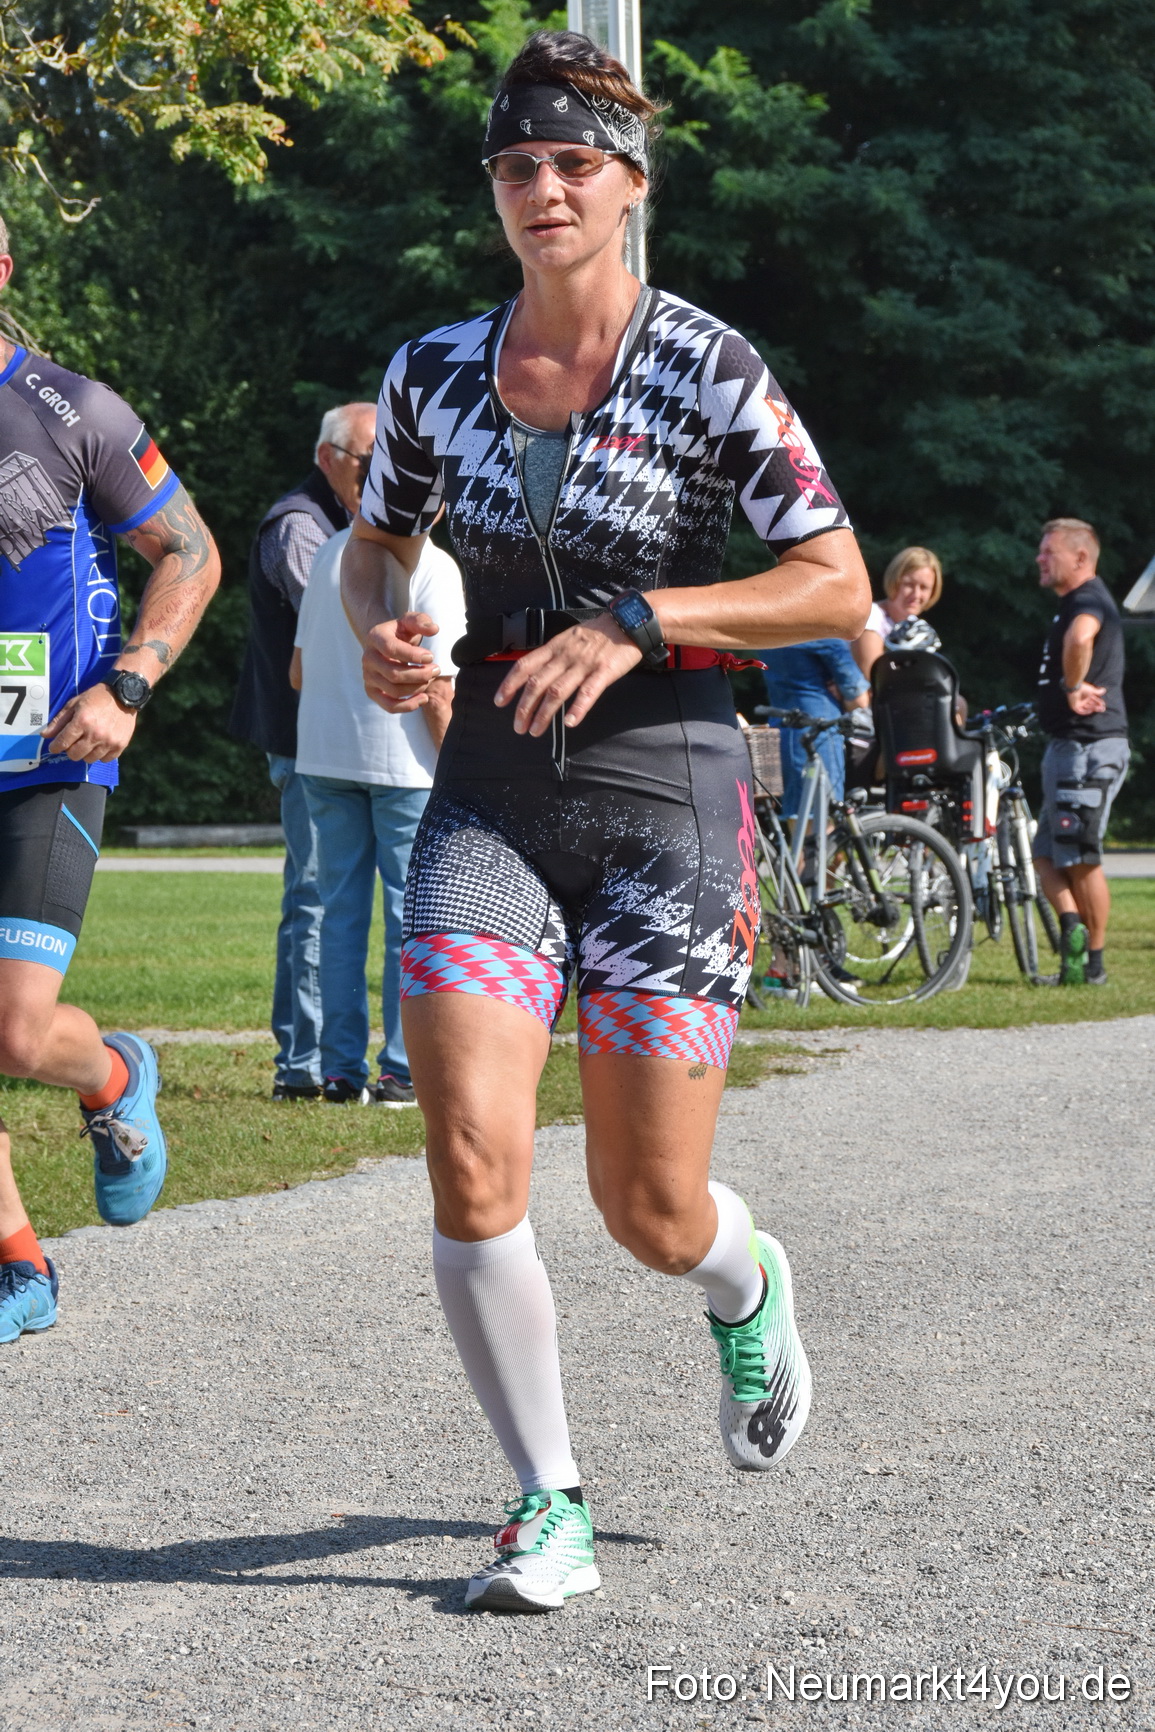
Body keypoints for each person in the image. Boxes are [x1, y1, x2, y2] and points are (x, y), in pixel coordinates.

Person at [342, 29, 869, 1615]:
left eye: (573, 163)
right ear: (493, 193)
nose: (543, 189)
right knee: (469, 1154)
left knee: (646, 1211)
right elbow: (379, 545)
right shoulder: (433, 369)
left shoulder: (709, 367)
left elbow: (832, 584)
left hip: (668, 801)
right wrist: (381, 618)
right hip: (489, 798)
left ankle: (742, 1277)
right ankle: (541, 1499)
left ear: (628, 187)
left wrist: (642, 617)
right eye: (517, 167)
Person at [0, 218, 220, 1342]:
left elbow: (190, 550)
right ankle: (17, 1263)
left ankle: (114, 1075)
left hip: (51, 757)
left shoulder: (72, 409)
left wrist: (128, 683)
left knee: (16, 1028)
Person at [229, 403, 377, 1100]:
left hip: (345, 740)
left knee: (332, 896)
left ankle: (320, 1059)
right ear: (328, 459)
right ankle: (305, 1064)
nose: (384, 474)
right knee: (315, 894)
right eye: (368, 460)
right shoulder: (300, 526)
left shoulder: (353, 524)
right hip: (307, 741)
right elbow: (340, 627)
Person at [290, 523, 465, 1105]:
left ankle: (339, 1071)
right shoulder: (433, 565)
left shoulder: (327, 556)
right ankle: (400, 1070)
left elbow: (297, 670)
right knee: (408, 919)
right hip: (405, 764)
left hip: (323, 752)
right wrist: (462, 771)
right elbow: (438, 689)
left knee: (338, 916)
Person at [1032, 517, 1128, 986]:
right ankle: (1071, 927)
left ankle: (1093, 964)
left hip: (1089, 746)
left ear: (1081, 558)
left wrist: (1072, 686)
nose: (1040, 559)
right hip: (1067, 745)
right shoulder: (1073, 602)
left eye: (1049, 552)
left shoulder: (1088, 599)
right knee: (1045, 854)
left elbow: (1080, 638)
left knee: (1081, 855)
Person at [761, 638, 869, 817]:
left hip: (782, 729)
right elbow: (859, 699)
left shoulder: (769, 628)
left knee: (796, 814)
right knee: (823, 814)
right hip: (818, 731)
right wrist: (841, 693)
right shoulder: (822, 634)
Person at [851, 544, 943, 679]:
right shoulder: (872, 617)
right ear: (894, 581)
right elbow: (876, 677)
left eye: (924, 588)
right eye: (909, 585)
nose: (916, 595)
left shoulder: (919, 630)